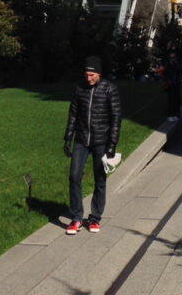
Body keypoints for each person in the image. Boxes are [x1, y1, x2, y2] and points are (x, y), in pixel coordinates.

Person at [63, 55, 121, 235]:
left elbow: (116, 119)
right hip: (81, 139)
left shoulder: (110, 89)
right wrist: (68, 137)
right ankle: (77, 217)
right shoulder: (80, 88)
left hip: (101, 141)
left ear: (99, 74)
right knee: (74, 176)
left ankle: (95, 217)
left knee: (100, 179)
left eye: (92, 75)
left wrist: (111, 145)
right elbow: (73, 113)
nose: (88, 78)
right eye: (86, 75)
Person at [163, 50, 182, 121]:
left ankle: (176, 114)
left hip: (177, 83)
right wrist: (168, 80)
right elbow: (165, 73)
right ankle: (170, 114)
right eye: (171, 57)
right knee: (171, 100)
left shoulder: (178, 63)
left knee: (176, 100)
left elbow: (181, 70)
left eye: (173, 57)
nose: (172, 59)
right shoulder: (167, 64)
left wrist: (176, 64)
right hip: (170, 83)